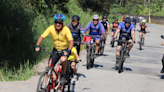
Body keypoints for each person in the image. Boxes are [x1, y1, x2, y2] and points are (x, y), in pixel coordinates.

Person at [35, 13, 74, 84]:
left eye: (60, 23)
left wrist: (69, 50)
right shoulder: (51, 28)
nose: (58, 24)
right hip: (56, 49)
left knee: (63, 59)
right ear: (54, 22)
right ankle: (47, 85)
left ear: (62, 23)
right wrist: (37, 45)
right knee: (49, 67)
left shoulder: (66, 29)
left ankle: (64, 75)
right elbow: (42, 36)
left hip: (65, 50)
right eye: (56, 22)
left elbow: (71, 40)